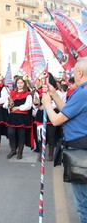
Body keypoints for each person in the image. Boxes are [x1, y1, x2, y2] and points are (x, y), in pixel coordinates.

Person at [42, 57, 87, 223]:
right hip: (81, 151)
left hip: (81, 155)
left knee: (84, 204)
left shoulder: (82, 93)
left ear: (80, 73)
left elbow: (56, 120)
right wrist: (54, 95)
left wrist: (47, 103)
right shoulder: (83, 92)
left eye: (74, 72)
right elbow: (68, 112)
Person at [3, 76, 33, 160]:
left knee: (21, 135)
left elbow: (28, 106)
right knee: (11, 133)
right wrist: (8, 105)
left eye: (21, 82)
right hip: (12, 116)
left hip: (22, 116)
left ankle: (20, 152)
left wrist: (18, 108)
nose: (20, 84)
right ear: (16, 84)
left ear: (24, 84)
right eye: (18, 83)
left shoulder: (27, 94)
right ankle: (13, 150)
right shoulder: (12, 93)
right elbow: (5, 104)